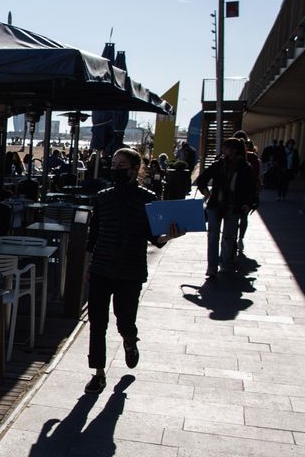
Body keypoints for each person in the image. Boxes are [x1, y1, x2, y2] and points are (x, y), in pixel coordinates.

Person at [84, 148, 183, 394]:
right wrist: (87, 264)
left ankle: (129, 339)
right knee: (97, 322)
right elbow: (93, 234)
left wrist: (169, 236)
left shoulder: (147, 197)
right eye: (114, 164)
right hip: (101, 267)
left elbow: (154, 237)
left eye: (122, 165)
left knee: (124, 318)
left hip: (130, 268)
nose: (116, 168)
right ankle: (98, 373)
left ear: (135, 168)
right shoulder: (103, 197)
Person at [196, 137, 255, 278]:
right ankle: (211, 268)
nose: (223, 151)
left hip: (234, 206)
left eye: (226, 148)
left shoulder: (245, 168)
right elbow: (202, 179)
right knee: (213, 237)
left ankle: (225, 263)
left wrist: (247, 203)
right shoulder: (218, 164)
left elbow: (250, 188)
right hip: (216, 204)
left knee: (229, 237)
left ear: (234, 150)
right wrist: (206, 192)